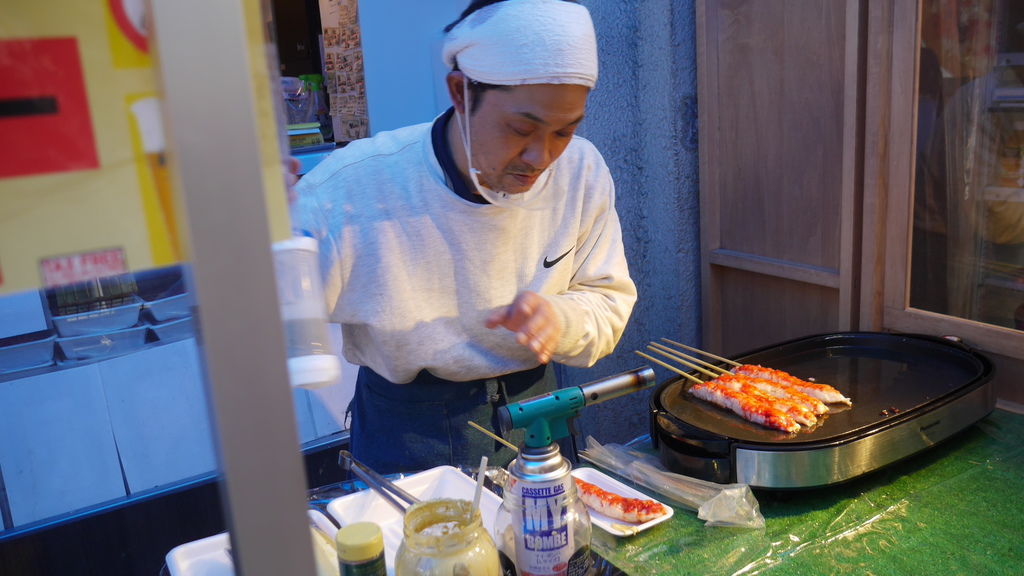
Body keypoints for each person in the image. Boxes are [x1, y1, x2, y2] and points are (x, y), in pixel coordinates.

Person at [291, 0, 636, 474]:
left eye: (564, 131)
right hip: (407, 425)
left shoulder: (580, 170)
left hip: (538, 409)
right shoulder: (350, 191)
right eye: (521, 128)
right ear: (460, 91)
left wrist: (559, 320)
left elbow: (607, 301)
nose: (540, 157)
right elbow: (265, 316)